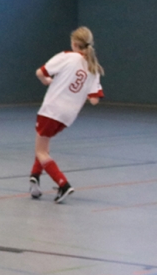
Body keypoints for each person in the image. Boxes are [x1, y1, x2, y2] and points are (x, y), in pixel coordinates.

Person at [29, 26, 104, 203]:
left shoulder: (67, 56)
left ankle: (63, 184)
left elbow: (40, 72)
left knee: (41, 151)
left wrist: (48, 81)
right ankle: (34, 179)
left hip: (51, 110)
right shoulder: (93, 67)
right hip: (68, 116)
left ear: (75, 44)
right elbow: (94, 99)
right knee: (44, 145)